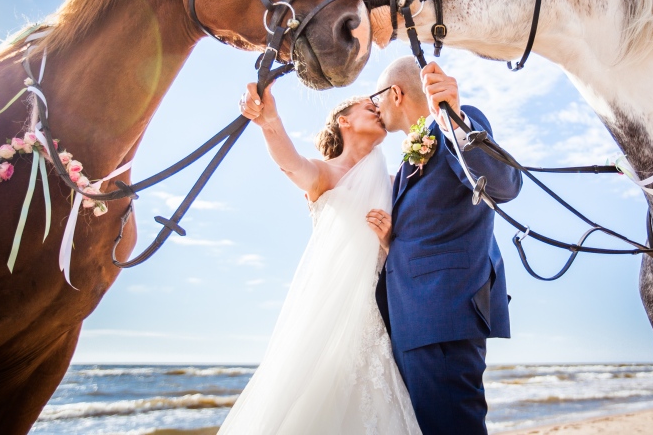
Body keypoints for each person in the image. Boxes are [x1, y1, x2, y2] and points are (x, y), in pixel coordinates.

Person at [218, 83, 421, 434]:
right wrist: (270, 121)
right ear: (344, 120)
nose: (378, 110)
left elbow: (406, 250)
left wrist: (389, 241)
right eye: (368, 107)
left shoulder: (394, 182)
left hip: (381, 315)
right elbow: (290, 164)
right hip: (330, 311)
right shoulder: (325, 174)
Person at [374, 57, 522, 435]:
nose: (374, 107)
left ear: (395, 93)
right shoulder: (406, 162)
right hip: (412, 321)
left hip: (443, 315)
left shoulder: (455, 125)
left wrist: (454, 122)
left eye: (377, 97)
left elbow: (504, 185)